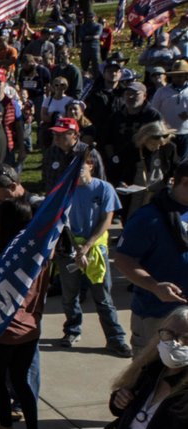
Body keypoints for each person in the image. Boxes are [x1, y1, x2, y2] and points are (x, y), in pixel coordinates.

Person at [0, 166, 47, 429]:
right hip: (30, 326)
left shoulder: (4, 260)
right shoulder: (38, 255)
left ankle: (6, 426)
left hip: (5, 327)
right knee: (21, 380)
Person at [56, 150, 132, 356]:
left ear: (91, 165)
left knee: (103, 297)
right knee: (69, 296)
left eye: (81, 165)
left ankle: (116, 339)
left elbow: (107, 220)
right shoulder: (64, 190)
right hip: (69, 251)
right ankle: (72, 330)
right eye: (73, 167)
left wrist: (87, 247)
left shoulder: (104, 188)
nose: (78, 171)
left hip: (95, 250)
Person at [114, 161, 188, 354]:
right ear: (185, 182)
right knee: (148, 378)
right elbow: (123, 259)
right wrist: (154, 286)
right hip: (158, 317)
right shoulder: (149, 218)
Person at [150, 59, 188, 161]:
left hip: (185, 132)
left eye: (180, 76)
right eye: (175, 76)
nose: (177, 78)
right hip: (166, 133)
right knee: (166, 161)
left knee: (182, 162)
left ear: (186, 76)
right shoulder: (162, 91)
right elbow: (153, 110)